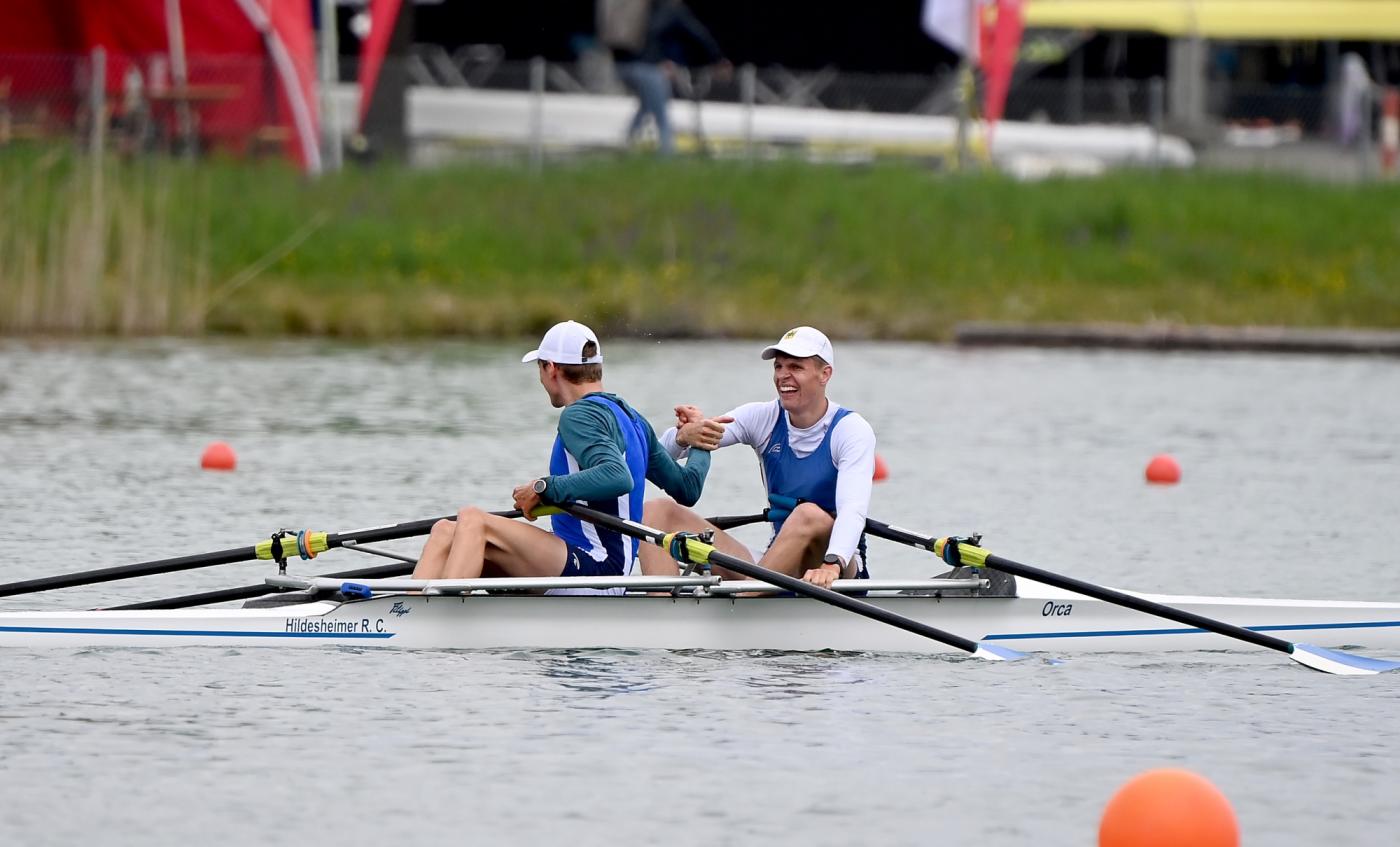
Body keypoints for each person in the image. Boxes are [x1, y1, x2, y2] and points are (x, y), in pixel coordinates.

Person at [412, 320, 713, 586]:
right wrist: (702, 441)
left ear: (551, 368)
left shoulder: (579, 415)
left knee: (473, 519)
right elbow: (687, 487)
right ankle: (406, 613)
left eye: (539, 368)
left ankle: (437, 617)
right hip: (590, 563)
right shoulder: (632, 419)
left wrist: (543, 488)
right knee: (445, 531)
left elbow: (616, 476)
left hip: (597, 566)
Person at [640, 326, 877, 588]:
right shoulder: (762, 417)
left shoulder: (851, 430)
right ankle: (662, 606)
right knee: (657, 511)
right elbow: (654, 457)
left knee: (808, 514)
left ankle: (745, 602)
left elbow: (853, 509)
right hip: (775, 565)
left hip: (837, 569)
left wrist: (832, 564)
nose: (783, 376)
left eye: (795, 367)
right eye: (778, 366)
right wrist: (685, 435)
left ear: (825, 374)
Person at [598, 0, 728, 156]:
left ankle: (626, 144)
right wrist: (717, 58)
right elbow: (696, 34)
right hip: (647, 68)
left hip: (621, 65)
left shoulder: (642, 8)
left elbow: (652, 37)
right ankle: (667, 154)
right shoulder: (670, 8)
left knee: (647, 105)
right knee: (662, 117)